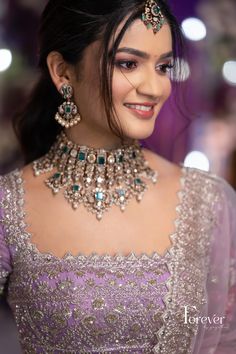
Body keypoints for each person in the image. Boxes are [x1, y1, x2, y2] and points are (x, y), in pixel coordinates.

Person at [0, 0, 235, 353]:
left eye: (163, 67)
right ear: (63, 71)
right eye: (128, 63)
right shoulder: (7, 207)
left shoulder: (208, 200)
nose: (156, 88)